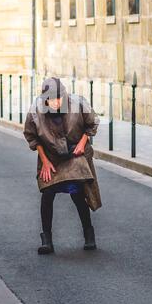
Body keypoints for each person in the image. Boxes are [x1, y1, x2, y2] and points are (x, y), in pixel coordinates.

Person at [23, 77, 102, 255]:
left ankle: (89, 234)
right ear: (45, 99)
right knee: (47, 192)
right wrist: (44, 161)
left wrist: (83, 144)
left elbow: (92, 124)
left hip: (75, 153)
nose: (55, 102)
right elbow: (32, 137)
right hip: (51, 156)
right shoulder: (36, 110)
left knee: (77, 192)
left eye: (58, 98)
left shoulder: (78, 104)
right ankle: (47, 240)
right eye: (51, 99)